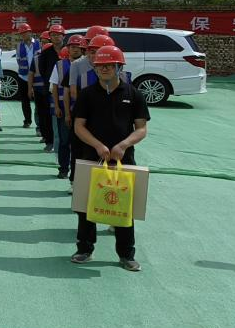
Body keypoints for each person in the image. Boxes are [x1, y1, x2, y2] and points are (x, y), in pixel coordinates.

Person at [71, 44, 147, 272]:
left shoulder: (133, 94)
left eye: (109, 65)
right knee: (86, 206)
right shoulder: (87, 95)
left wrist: (123, 145)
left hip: (123, 160)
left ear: (119, 67)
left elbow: (141, 129)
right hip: (91, 157)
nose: (104, 69)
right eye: (100, 66)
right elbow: (78, 126)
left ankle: (126, 254)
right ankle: (85, 249)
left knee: (124, 208)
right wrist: (97, 145)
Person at [52, 34, 85, 180]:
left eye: (78, 47)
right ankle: (63, 169)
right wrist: (57, 107)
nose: (75, 49)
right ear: (68, 49)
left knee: (80, 144)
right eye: (72, 47)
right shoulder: (60, 65)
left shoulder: (89, 65)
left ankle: (79, 173)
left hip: (83, 112)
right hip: (66, 110)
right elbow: (55, 87)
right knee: (64, 141)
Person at [30, 25, 64, 151]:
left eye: (58, 35)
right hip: (49, 89)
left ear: (63, 36)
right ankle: (49, 141)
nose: (56, 37)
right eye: (53, 35)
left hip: (65, 88)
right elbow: (42, 70)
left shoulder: (68, 50)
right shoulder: (45, 53)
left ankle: (63, 142)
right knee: (47, 116)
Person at [15, 24, 38, 130]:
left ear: (30, 32)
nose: (23, 35)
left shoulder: (38, 44)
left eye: (25, 32)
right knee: (25, 100)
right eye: (21, 33)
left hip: (37, 76)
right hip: (23, 76)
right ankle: (27, 121)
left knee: (38, 101)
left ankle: (39, 125)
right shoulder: (19, 46)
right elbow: (18, 60)